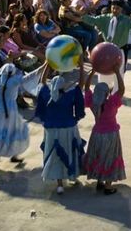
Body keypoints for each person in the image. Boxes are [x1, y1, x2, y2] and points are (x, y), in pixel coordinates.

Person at [34, 62, 86, 195]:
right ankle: (72, 174)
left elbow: (42, 81)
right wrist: (81, 66)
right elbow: (81, 84)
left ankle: (59, 184)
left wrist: (47, 63)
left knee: (54, 155)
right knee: (70, 150)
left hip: (51, 130)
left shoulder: (47, 95)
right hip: (68, 128)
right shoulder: (70, 95)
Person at [82, 65, 126, 195]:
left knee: (99, 156)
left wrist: (93, 72)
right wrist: (117, 72)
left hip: (97, 134)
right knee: (110, 157)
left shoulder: (92, 103)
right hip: (111, 134)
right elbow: (122, 89)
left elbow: (86, 87)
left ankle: (100, 181)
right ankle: (108, 186)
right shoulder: (111, 103)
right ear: (107, 93)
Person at [81, 0, 131, 69]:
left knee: (120, 70)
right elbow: (93, 20)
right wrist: (83, 15)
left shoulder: (126, 20)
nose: (114, 10)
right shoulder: (105, 18)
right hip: (107, 48)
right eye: (113, 8)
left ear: (121, 9)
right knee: (105, 69)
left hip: (121, 48)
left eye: (117, 8)